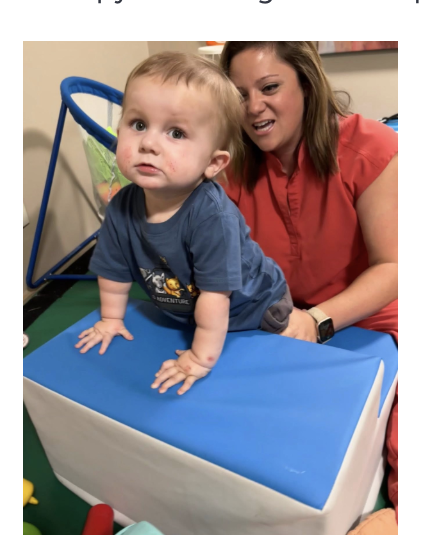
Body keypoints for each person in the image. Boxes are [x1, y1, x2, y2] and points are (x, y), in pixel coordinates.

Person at [220, 41, 398, 526]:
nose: (253, 107)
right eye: (239, 94)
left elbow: (394, 268)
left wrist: (317, 320)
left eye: (269, 87)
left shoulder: (369, 147)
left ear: (306, 84)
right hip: (280, 315)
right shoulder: (230, 165)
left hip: (374, 313)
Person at [75, 52, 293, 396]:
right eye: (138, 124)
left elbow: (216, 297)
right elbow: (114, 273)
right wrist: (111, 319)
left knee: (270, 383)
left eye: (176, 132)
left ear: (213, 163)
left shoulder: (212, 216)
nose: (148, 143)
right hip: (191, 311)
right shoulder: (121, 206)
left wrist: (200, 359)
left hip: (256, 308)